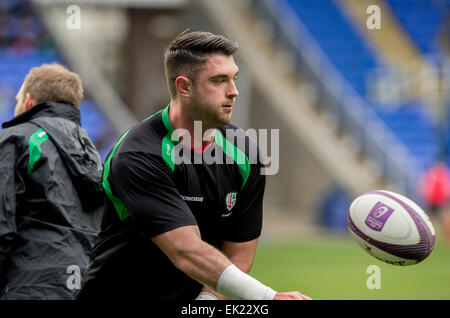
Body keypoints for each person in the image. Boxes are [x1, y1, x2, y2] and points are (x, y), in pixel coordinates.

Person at [77, 31, 311, 300]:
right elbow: (186, 251)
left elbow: (238, 251)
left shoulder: (244, 153)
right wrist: (269, 298)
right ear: (184, 87)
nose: (233, 91)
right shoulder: (139, 154)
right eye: (219, 81)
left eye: (234, 79)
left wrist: (206, 302)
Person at [0, 63, 103, 299]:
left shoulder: (15, 139)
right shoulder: (91, 151)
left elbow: (1, 224)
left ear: (28, 101)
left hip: (27, 288)